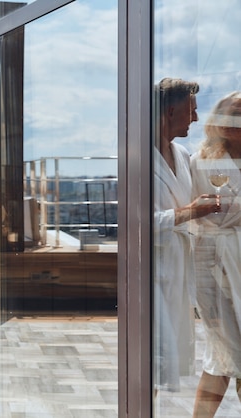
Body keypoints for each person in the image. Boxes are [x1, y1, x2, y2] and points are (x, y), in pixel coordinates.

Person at [153, 78, 219, 394]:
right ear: (170, 111)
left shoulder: (181, 153)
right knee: (152, 355)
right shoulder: (138, 157)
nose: (195, 118)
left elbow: (196, 197)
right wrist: (192, 212)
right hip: (153, 270)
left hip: (179, 265)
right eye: (191, 110)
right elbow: (139, 222)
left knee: (165, 354)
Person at [190, 91, 241, 417]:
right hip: (213, 264)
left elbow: (223, 210)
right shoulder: (202, 161)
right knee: (226, 348)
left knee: (225, 354)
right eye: (231, 114)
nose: (234, 122)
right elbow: (209, 214)